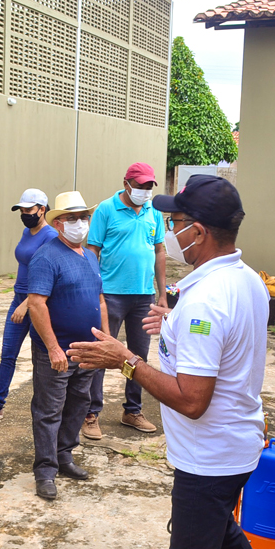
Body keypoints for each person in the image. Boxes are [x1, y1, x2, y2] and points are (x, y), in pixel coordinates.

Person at [68, 175, 275, 549]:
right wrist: (173, 326)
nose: (169, 231)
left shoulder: (208, 299)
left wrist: (125, 360)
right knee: (221, 535)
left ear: (201, 231)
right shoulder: (244, 279)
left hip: (209, 456)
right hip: (234, 444)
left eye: (175, 223)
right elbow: (224, 342)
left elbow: (192, 400)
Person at [26, 192, 109, 501]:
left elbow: (100, 300)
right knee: (49, 410)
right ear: (58, 223)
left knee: (78, 404)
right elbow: (37, 305)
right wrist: (53, 348)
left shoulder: (89, 256)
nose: (80, 223)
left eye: (84, 217)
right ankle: (45, 471)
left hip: (87, 350)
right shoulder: (46, 257)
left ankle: (64, 456)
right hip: (57, 351)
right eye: (72, 218)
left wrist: (107, 342)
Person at [82, 162, 166, 440]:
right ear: (127, 183)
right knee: (102, 353)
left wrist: (162, 293)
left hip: (144, 296)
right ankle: (91, 413)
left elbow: (160, 250)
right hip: (111, 295)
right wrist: (95, 289)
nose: (144, 191)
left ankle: (132, 410)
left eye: (149, 186)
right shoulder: (107, 209)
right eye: (140, 186)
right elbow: (92, 249)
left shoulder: (153, 211)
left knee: (137, 357)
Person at [0, 188, 58, 421]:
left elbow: (50, 276)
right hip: (18, 297)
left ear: (42, 209)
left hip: (36, 303)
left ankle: (47, 407)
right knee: (8, 355)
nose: (24, 213)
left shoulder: (51, 236)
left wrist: (26, 303)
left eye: (29, 209)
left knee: (41, 358)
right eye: (22, 210)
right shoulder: (27, 232)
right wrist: (19, 298)